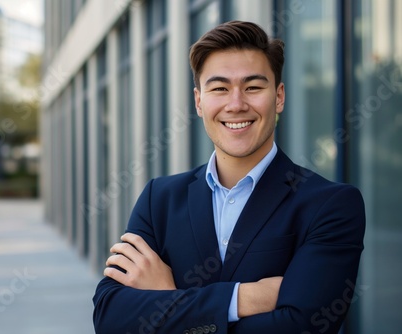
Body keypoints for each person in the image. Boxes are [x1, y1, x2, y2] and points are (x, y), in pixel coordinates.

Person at [93, 20, 365, 334]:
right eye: (220, 88)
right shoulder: (159, 199)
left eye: (252, 87)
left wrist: (167, 300)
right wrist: (242, 297)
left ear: (278, 97)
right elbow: (110, 316)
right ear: (199, 101)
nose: (236, 104)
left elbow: (302, 327)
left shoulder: (330, 205)